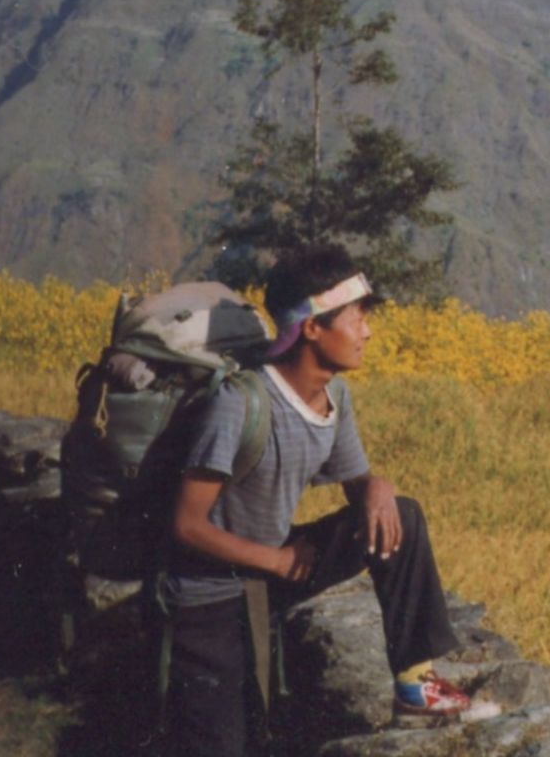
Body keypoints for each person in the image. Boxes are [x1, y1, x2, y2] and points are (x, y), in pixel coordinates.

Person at [160, 243, 496, 756]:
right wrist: (276, 558)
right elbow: (184, 525)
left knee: (400, 515)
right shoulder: (240, 403)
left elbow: (356, 481)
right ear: (312, 327)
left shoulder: (335, 397)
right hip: (212, 599)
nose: (368, 331)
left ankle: (413, 685)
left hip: (272, 571)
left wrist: (376, 487)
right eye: (356, 318)